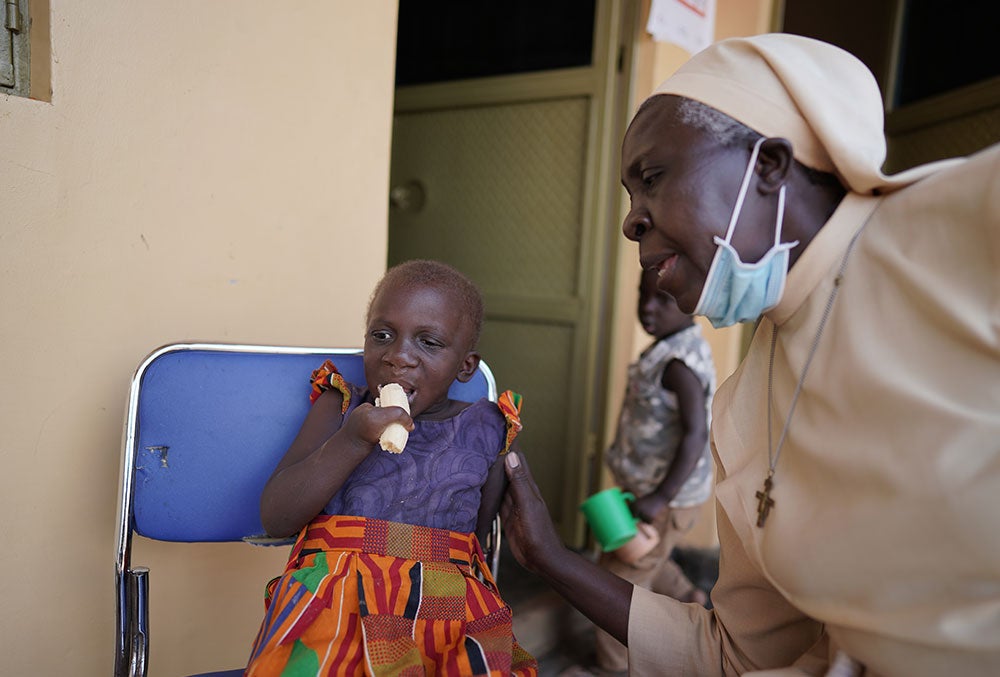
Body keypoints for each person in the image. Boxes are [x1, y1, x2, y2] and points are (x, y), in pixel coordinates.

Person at [500, 33, 1000, 676]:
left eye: (651, 178)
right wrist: (548, 557)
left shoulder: (962, 228)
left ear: (769, 166)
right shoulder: (739, 409)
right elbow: (734, 656)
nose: (631, 222)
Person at [245, 259, 537, 676]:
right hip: (332, 608)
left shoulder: (487, 429)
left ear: (465, 366)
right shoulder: (340, 406)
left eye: (429, 343)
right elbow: (277, 517)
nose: (398, 357)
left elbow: (475, 547)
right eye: (382, 335)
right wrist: (351, 440)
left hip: (444, 616)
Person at [583, 268, 715, 675]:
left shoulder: (678, 364)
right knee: (649, 559)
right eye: (643, 295)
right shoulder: (668, 347)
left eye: (663, 299)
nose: (647, 307)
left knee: (618, 585)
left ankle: (614, 667)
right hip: (647, 491)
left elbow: (696, 435)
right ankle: (694, 599)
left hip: (663, 497)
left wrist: (658, 498)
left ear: (691, 302)